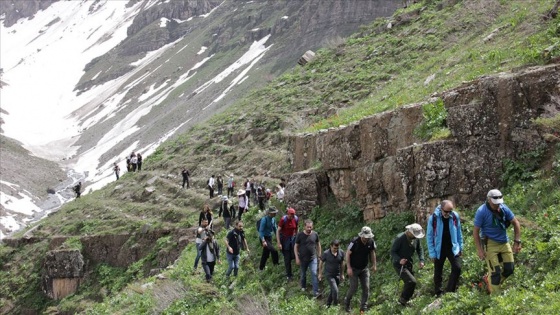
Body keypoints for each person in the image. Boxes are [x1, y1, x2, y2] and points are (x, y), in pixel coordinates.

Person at [473, 189, 522, 294]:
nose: (497, 206)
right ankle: (496, 298)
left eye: (499, 203)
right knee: (495, 272)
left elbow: (516, 223)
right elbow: (475, 232)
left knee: (509, 269)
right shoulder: (481, 211)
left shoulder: (504, 209)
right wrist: (480, 250)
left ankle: (489, 280)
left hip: (504, 242)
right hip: (489, 244)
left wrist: (517, 242)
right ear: (489, 200)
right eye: (495, 204)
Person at [427, 200, 463, 296]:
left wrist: (460, 248)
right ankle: (438, 292)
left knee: (457, 268)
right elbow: (429, 236)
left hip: (452, 247)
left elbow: (459, 233)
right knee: (438, 271)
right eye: (446, 211)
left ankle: (450, 291)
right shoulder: (434, 218)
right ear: (441, 209)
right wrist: (432, 253)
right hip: (439, 248)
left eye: (450, 211)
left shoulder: (454, 216)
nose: (448, 214)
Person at [344, 226, 377, 313]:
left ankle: (363, 307)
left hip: (364, 268)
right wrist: (348, 267)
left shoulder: (371, 241)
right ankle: (347, 302)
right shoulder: (354, 242)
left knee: (366, 287)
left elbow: (372, 253)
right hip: (354, 268)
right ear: (361, 235)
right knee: (354, 287)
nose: (366, 239)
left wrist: (374, 265)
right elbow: (347, 254)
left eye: (368, 237)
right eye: (365, 237)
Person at [391, 223, 425, 306]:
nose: (415, 236)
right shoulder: (400, 238)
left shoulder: (415, 238)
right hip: (399, 265)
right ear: (409, 232)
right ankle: (402, 300)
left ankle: (406, 300)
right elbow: (393, 251)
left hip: (409, 263)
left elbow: (419, 249)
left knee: (411, 282)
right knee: (411, 281)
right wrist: (399, 260)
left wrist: (421, 260)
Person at [295, 220, 322, 297]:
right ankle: (303, 286)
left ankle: (315, 292)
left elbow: (318, 244)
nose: (309, 228)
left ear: (312, 226)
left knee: (314, 273)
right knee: (303, 274)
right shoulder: (300, 235)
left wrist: (319, 255)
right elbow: (296, 246)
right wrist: (297, 257)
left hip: (313, 258)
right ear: (304, 227)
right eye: (308, 227)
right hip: (303, 259)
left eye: (310, 227)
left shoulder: (315, 234)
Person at [319, 239, 345, 307]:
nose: (336, 250)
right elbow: (321, 263)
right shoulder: (326, 253)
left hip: (337, 274)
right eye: (334, 248)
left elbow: (342, 263)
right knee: (335, 290)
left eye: (337, 248)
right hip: (329, 275)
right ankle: (335, 306)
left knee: (333, 290)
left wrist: (342, 274)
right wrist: (320, 273)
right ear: (331, 246)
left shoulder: (341, 252)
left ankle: (328, 305)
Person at [276, 207, 299, 281]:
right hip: (285, 239)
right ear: (287, 214)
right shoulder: (283, 219)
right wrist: (279, 243)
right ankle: (289, 275)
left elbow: (297, 228)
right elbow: (278, 231)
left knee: (294, 255)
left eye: (292, 216)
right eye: (290, 216)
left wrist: (297, 238)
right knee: (287, 258)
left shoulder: (295, 219)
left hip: (292, 239)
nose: (291, 217)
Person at [258, 207, 280, 271]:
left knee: (265, 253)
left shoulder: (273, 219)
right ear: (270, 213)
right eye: (274, 213)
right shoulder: (264, 220)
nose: (275, 214)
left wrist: (277, 237)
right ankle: (276, 265)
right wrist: (263, 241)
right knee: (274, 251)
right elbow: (261, 231)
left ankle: (261, 268)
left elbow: (275, 228)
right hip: (264, 238)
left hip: (269, 237)